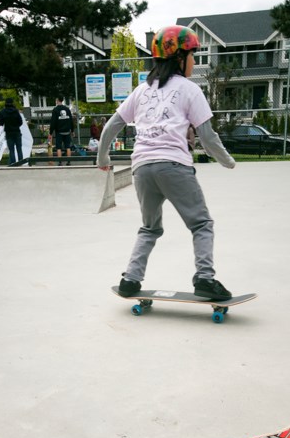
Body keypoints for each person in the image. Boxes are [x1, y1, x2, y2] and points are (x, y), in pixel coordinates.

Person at [97, 25, 237, 301]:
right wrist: (227, 161)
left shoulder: (141, 90)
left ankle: (131, 279)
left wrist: (103, 157)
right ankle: (205, 279)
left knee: (149, 228)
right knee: (201, 224)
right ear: (178, 58)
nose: (194, 63)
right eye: (192, 56)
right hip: (174, 166)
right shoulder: (189, 90)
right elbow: (207, 136)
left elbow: (111, 126)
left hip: (142, 169)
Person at [0, 98, 24, 166]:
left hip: (8, 133)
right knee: (19, 148)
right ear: (12, 103)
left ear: (5, 103)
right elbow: (20, 122)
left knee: (11, 150)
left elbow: (1, 123)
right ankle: (21, 163)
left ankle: (13, 163)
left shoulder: (2, 112)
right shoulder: (16, 111)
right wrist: (16, 126)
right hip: (17, 132)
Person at [49, 97, 74, 166]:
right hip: (67, 131)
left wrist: (50, 133)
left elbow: (53, 122)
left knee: (59, 147)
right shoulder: (67, 109)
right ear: (62, 100)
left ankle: (60, 162)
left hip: (59, 132)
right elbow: (71, 120)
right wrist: (72, 130)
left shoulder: (55, 110)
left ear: (57, 101)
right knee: (68, 147)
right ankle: (69, 161)